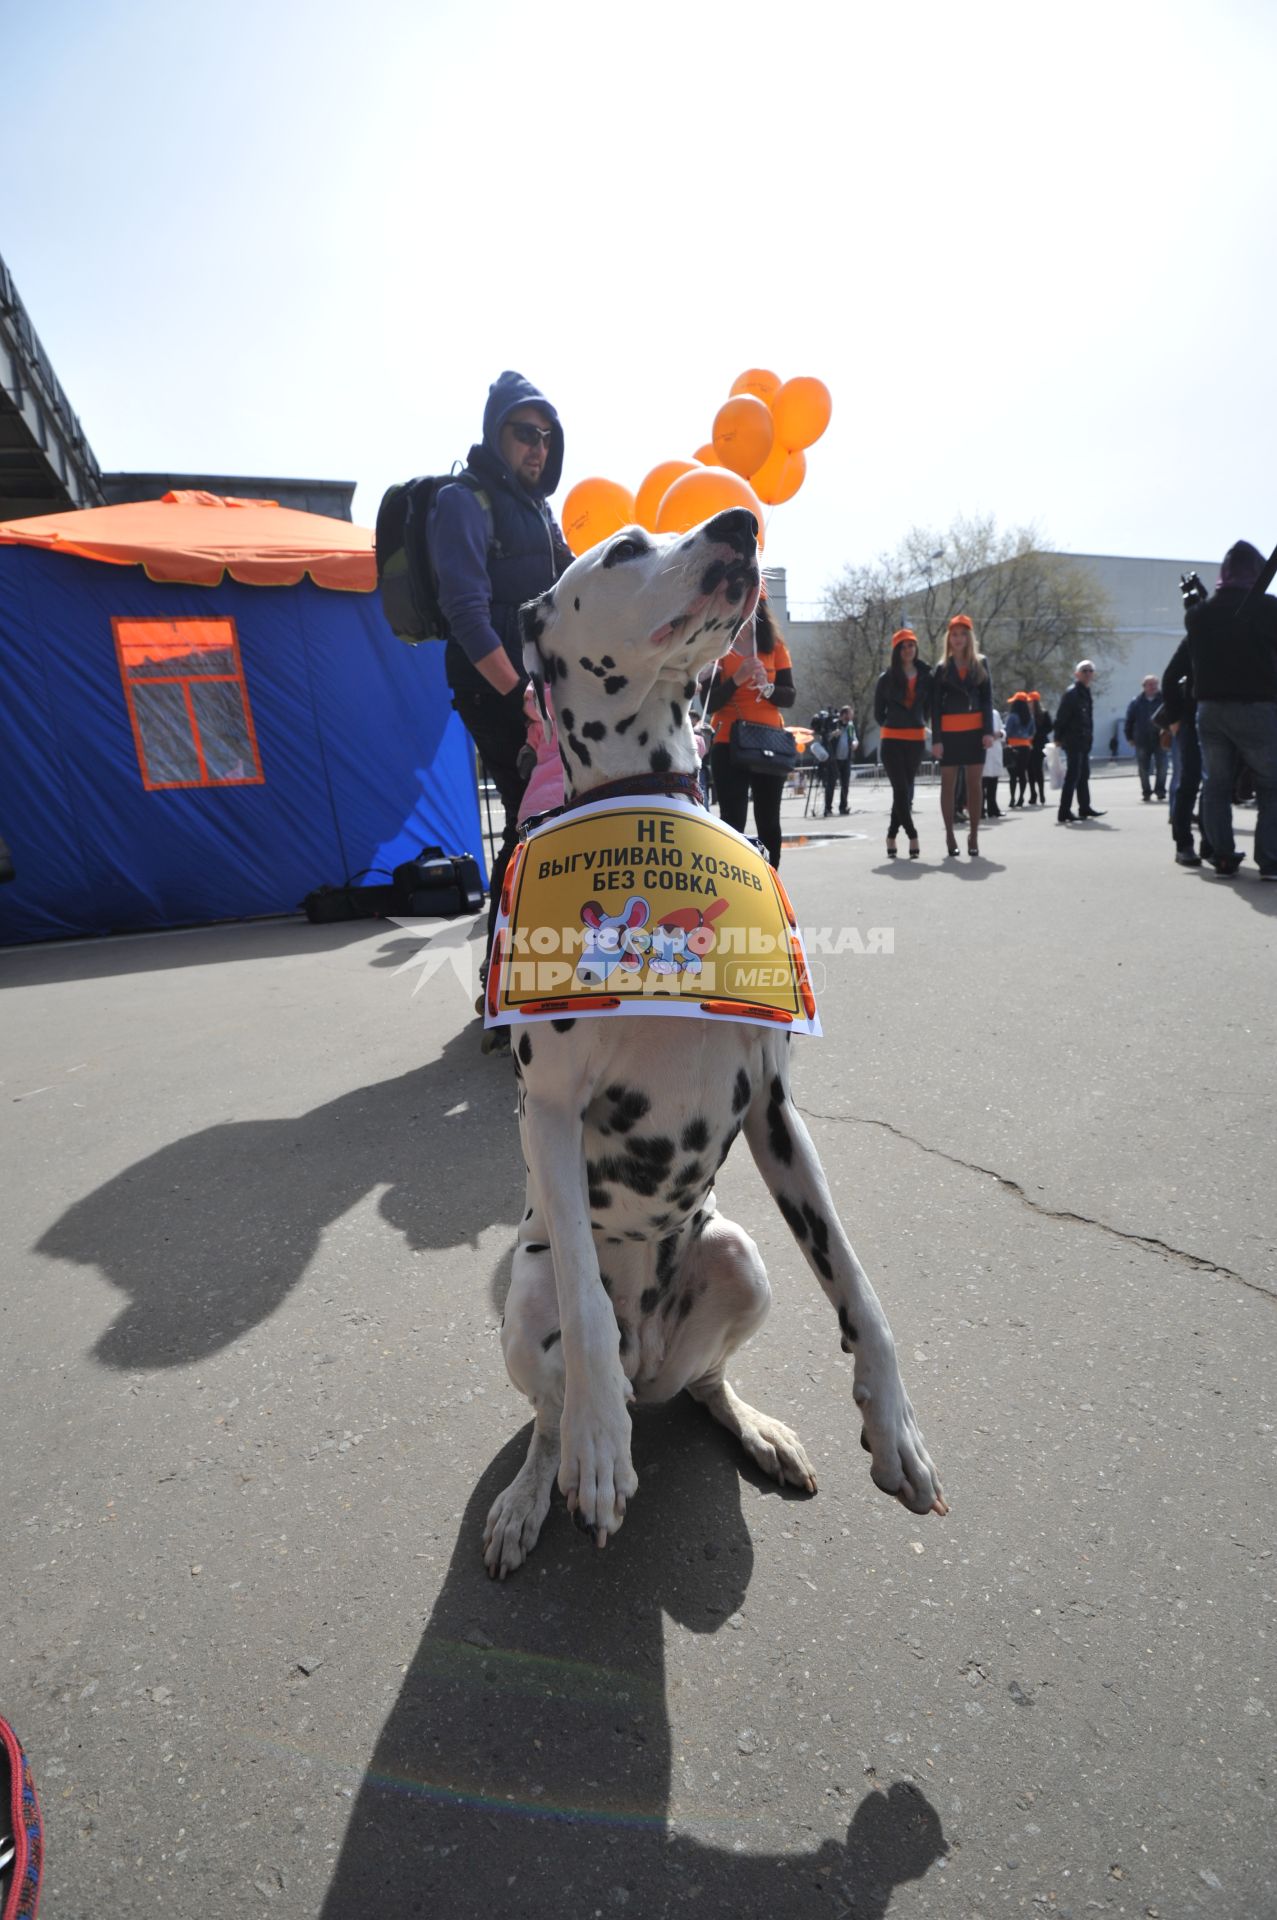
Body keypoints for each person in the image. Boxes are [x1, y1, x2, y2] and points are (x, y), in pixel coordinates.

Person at [431, 371, 573, 974]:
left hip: (541, 692)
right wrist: (519, 694)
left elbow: (576, 586)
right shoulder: (462, 501)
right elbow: (465, 614)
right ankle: (504, 976)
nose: (538, 447)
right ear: (496, 433)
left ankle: (536, 965)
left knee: (548, 823)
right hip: (496, 690)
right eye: (524, 433)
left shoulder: (540, 513)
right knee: (529, 821)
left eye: (546, 436)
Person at [1175, 539, 1277, 878]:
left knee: (1215, 785)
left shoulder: (1199, 615)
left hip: (1210, 710)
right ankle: (1270, 858)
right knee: (1270, 784)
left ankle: (1221, 855)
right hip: (1257, 707)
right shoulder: (1269, 609)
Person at [705, 593, 796, 867]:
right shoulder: (718, 645)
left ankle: (772, 884)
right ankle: (735, 884)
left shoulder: (775, 646)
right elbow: (710, 703)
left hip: (769, 741)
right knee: (733, 820)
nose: (747, 607)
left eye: (753, 601)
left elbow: (789, 696)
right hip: (727, 741)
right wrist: (737, 678)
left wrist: (767, 687)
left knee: (769, 820)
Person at [931, 614, 994, 857]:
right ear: (949, 638)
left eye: (962, 634)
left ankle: (974, 835)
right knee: (948, 785)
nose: (958, 639)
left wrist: (988, 731)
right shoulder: (942, 668)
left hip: (975, 732)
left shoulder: (981, 663)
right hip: (949, 733)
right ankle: (949, 835)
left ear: (969, 638)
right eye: (954, 635)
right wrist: (936, 739)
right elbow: (935, 707)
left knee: (974, 786)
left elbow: (987, 699)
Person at [872, 629, 932, 857]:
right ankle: (913, 835)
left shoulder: (926, 676)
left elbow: (927, 708)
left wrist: (918, 721)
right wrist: (894, 723)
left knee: (906, 793)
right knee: (901, 789)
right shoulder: (886, 679)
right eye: (904, 646)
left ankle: (890, 836)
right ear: (897, 651)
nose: (908, 650)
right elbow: (879, 713)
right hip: (891, 740)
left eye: (912, 645)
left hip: (915, 741)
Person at [1053, 661, 1106, 824]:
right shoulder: (1072, 693)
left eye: (1091, 671)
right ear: (1077, 674)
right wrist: (1057, 738)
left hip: (1084, 740)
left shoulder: (1085, 692)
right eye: (1084, 671)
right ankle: (1064, 811)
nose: (1088, 673)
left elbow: (1087, 719)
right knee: (1073, 776)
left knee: (1083, 775)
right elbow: (1061, 717)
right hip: (1073, 740)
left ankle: (1084, 807)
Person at [1124, 675, 1168, 801]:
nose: (1153, 687)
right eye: (1150, 684)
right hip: (1142, 740)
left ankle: (1160, 790)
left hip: (1161, 739)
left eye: (1155, 684)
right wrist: (1129, 737)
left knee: (1162, 766)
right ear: (1144, 687)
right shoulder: (1136, 702)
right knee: (1143, 768)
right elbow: (1129, 721)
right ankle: (1146, 792)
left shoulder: (1164, 700)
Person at [821, 704, 858, 816]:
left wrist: (855, 743)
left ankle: (843, 807)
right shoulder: (834, 723)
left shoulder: (851, 726)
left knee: (845, 785)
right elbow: (825, 738)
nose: (851, 716)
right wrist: (833, 734)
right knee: (831, 784)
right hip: (834, 759)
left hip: (846, 759)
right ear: (843, 715)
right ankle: (828, 809)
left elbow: (854, 739)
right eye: (850, 714)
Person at [1003, 693, 1034, 807]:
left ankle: (1012, 798)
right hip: (1025, 747)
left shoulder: (1012, 716)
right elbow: (1032, 732)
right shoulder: (1030, 717)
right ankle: (1021, 797)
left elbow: (1007, 731)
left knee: (1012, 775)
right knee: (1022, 773)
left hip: (1012, 747)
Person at [1027, 691, 1052, 805]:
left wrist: (1037, 734)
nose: (1029, 703)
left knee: (1038, 769)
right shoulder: (1026, 714)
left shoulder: (1043, 713)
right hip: (1028, 744)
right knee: (1030, 770)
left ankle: (1041, 793)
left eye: (1030, 701)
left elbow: (1050, 727)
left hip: (1039, 744)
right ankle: (1033, 794)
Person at [982, 706, 1005, 819]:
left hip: (995, 750)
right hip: (983, 750)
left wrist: (1000, 734)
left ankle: (993, 808)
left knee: (993, 782)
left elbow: (1002, 729)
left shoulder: (995, 713)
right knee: (981, 783)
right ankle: (980, 809)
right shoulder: (977, 711)